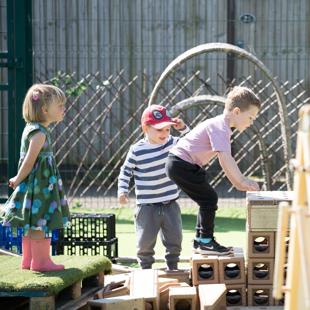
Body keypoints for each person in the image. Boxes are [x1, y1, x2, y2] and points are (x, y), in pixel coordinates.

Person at [166, 86, 261, 255]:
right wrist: (241, 181)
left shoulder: (221, 126)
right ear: (237, 112)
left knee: (206, 199)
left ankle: (200, 241)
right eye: (251, 118)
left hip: (183, 164)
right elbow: (225, 159)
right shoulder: (220, 127)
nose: (251, 122)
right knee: (209, 199)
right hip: (181, 164)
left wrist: (240, 181)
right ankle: (205, 241)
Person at [1, 84, 70, 272]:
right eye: (60, 106)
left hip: (37, 186)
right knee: (40, 223)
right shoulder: (39, 134)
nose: (64, 109)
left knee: (32, 223)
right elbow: (30, 162)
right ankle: (41, 262)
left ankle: (29, 260)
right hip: (39, 188)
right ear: (45, 110)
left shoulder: (33, 128)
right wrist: (17, 178)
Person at [118, 104, 189, 270]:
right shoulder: (137, 150)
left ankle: (173, 266)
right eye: (159, 130)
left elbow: (192, 140)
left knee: (175, 239)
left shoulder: (173, 143)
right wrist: (122, 190)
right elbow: (125, 171)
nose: (164, 134)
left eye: (167, 129)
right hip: (146, 206)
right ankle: (145, 269)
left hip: (170, 203)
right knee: (145, 242)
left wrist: (183, 128)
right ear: (146, 128)